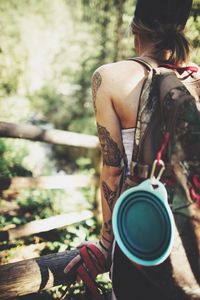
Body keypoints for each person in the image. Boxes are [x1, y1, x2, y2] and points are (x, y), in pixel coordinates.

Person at [64, 0, 200, 299]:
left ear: (135, 26)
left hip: (138, 240)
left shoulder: (110, 77)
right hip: (193, 240)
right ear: (184, 25)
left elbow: (112, 173)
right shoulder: (195, 79)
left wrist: (104, 244)